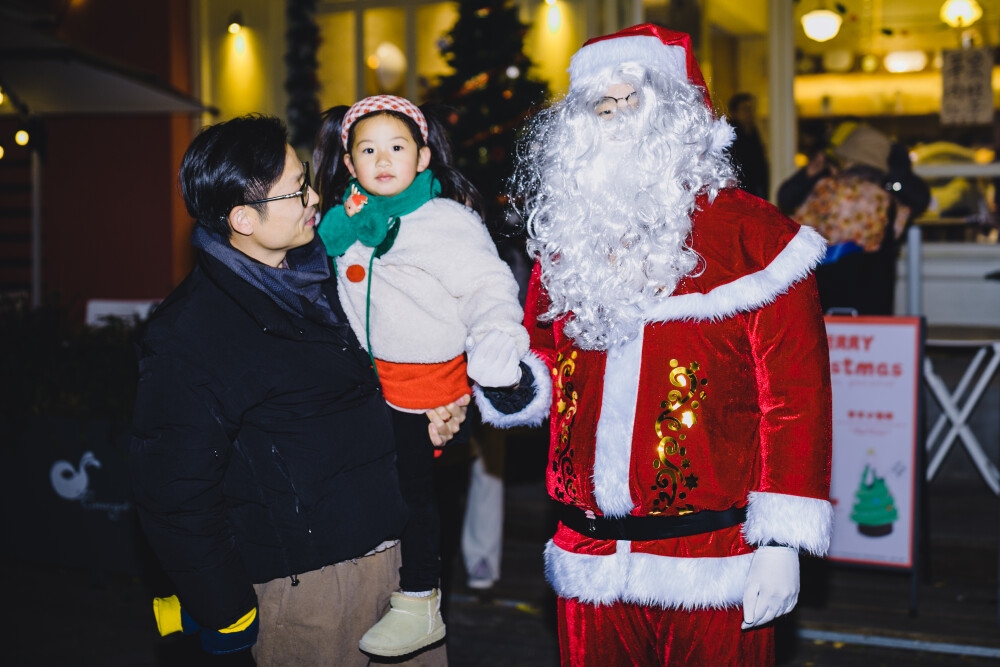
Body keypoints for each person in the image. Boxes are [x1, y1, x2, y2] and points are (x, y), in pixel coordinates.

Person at [474, 24, 834, 665]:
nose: (613, 121)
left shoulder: (755, 238)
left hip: (714, 558)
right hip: (588, 557)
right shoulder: (568, 244)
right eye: (599, 108)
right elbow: (549, 363)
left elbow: (796, 399)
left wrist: (781, 542)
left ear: (675, 113)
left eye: (629, 102)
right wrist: (512, 383)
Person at [129, 114, 464, 666]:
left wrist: (434, 414)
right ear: (242, 218)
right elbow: (174, 493)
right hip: (308, 591)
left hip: (400, 566)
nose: (314, 195)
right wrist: (228, 614)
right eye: (296, 190)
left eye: (305, 177)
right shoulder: (190, 333)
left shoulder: (341, 273)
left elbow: (398, 371)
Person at [312, 95, 529, 658]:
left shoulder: (443, 221)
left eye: (398, 147)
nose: (383, 159)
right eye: (368, 149)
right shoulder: (346, 221)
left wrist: (497, 337)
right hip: (370, 382)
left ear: (423, 156)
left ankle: (420, 600)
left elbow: (487, 285)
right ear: (350, 161)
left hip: (424, 383)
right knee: (380, 491)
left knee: (414, 494)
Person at [791, 124, 912, 315]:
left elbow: (796, 230)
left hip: (826, 296)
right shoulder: (891, 202)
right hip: (873, 299)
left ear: (849, 161)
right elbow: (895, 235)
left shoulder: (826, 189)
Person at [727, 92, 770, 199]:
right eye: (744, 109)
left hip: (755, 189)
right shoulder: (730, 135)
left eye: (750, 109)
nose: (749, 113)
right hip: (739, 191)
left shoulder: (753, 132)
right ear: (734, 112)